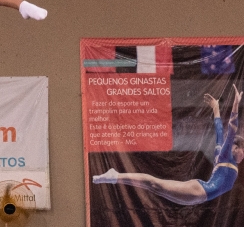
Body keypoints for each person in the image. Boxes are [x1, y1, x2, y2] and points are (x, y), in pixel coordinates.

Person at [94, 85, 243, 206]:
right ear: (233, 148)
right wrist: (235, 104)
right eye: (241, 149)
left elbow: (219, 129)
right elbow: (230, 129)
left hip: (198, 197)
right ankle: (114, 176)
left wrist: (216, 108)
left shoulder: (221, 152)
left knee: (154, 188)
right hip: (198, 191)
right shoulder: (225, 154)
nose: (242, 154)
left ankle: (114, 177)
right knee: (153, 184)